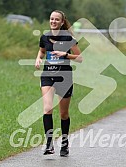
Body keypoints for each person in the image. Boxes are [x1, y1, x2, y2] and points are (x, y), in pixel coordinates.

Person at [35, 10, 82, 157]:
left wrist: (66, 54)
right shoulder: (45, 37)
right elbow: (42, 51)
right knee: (47, 108)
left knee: (63, 114)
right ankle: (49, 144)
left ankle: (65, 143)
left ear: (62, 22)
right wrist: (38, 58)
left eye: (56, 19)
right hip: (47, 75)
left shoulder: (68, 38)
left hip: (64, 77)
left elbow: (80, 58)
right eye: (51, 19)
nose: (53, 21)